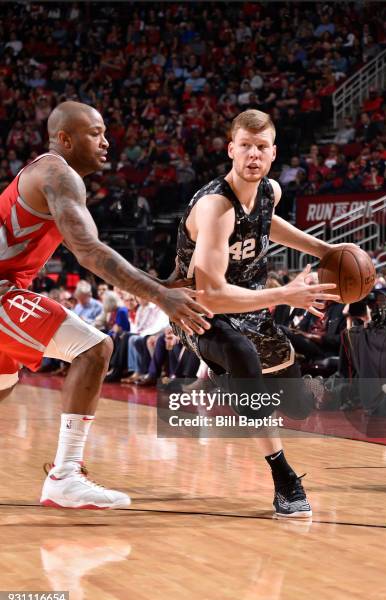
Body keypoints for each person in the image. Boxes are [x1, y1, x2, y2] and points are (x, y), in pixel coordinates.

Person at [0, 101, 212, 510]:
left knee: (4, 385)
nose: (106, 141)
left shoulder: (49, 175)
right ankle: (65, 475)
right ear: (64, 139)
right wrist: (160, 296)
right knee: (95, 347)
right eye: (95, 132)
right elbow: (90, 252)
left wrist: (158, 284)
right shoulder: (58, 173)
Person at [171, 109, 358, 518]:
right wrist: (284, 296)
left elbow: (266, 222)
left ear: (273, 153)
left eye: (261, 147)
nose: (252, 154)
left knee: (298, 408)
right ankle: (284, 478)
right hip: (199, 312)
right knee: (241, 355)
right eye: (245, 146)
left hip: (251, 309)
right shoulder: (215, 208)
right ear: (230, 150)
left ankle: (235, 380)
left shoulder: (269, 189)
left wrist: (325, 251)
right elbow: (213, 295)